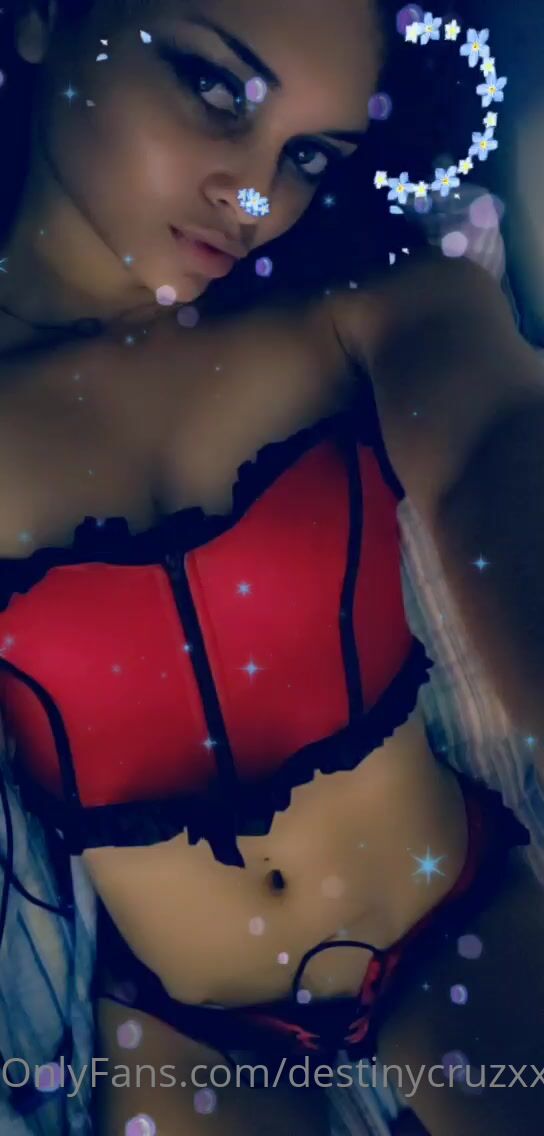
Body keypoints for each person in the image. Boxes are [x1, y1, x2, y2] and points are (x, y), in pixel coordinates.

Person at [0, 2, 544, 1135]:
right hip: (187, 1022)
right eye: (213, 86)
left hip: (455, 916)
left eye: (309, 155)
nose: (254, 198)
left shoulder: (360, 301)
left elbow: (492, 453)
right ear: (46, 15)